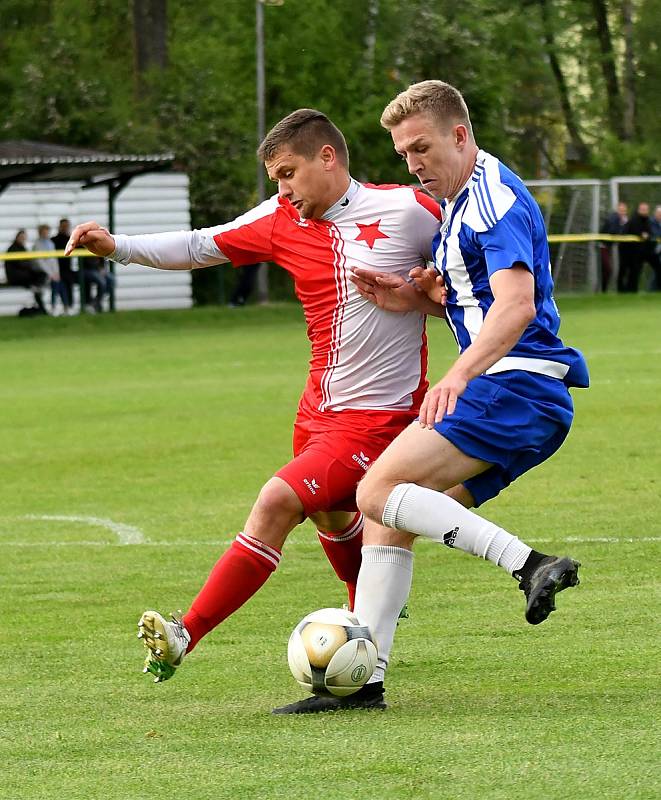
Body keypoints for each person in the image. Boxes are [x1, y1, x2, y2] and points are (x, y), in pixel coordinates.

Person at [65, 109, 443, 702]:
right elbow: (200, 245)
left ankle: (186, 633)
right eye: (275, 179)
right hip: (317, 412)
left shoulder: (409, 212)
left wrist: (435, 297)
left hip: (379, 418)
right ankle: (364, 630)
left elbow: (475, 278)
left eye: (288, 173)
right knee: (332, 518)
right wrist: (118, 247)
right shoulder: (280, 217)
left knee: (277, 501)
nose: (282, 189)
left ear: (327, 158)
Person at [315, 79, 588, 716]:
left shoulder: (491, 199)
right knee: (391, 518)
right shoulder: (465, 197)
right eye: (403, 154)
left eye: (421, 148)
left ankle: (529, 564)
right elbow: (486, 301)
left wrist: (457, 375)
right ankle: (366, 682)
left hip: (515, 387)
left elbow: (517, 307)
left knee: (374, 491)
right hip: (526, 397)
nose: (412, 165)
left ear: (459, 136)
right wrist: (423, 296)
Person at [3, 229, 48, 314]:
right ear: (17, 237)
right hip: (16, 277)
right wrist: (30, 265)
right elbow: (21, 264)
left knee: (42, 274)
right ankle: (37, 291)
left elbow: (27, 263)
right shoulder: (12, 249)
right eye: (21, 237)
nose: (23, 239)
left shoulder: (22, 248)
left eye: (24, 237)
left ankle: (37, 289)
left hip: (24, 275)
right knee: (36, 278)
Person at [33, 224, 68, 315]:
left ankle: (65, 307)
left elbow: (54, 260)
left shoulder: (50, 243)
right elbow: (40, 262)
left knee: (61, 285)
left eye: (47, 232)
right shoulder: (37, 245)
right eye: (44, 232)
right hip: (42, 273)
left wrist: (56, 273)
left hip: (53, 273)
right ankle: (54, 307)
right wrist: (50, 274)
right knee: (56, 285)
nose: (45, 234)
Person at [618, 202, 652, 293]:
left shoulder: (647, 220)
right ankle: (621, 290)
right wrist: (642, 235)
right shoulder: (634, 219)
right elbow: (636, 232)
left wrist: (646, 236)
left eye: (646, 209)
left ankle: (632, 290)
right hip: (626, 250)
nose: (644, 211)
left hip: (637, 251)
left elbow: (649, 233)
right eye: (642, 209)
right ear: (639, 210)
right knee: (624, 270)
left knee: (635, 271)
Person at [599, 201, 627, 292]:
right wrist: (622, 224)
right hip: (603, 246)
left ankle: (604, 290)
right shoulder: (614, 218)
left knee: (607, 270)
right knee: (607, 269)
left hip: (608, 247)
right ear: (617, 210)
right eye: (621, 210)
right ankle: (603, 290)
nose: (622, 212)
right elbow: (612, 232)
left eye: (624, 210)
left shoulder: (618, 219)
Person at [51, 218, 77, 313]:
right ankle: (59, 307)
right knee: (60, 284)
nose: (65, 228)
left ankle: (70, 306)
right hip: (57, 270)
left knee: (70, 283)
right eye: (63, 226)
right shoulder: (54, 240)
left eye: (66, 226)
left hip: (69, 269)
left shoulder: (72, 239)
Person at [649, 205, 661, 291]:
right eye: (659, 214)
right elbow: (655, 234)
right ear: (655, 214)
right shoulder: (651, 222)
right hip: (654, 250)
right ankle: (652, 290)